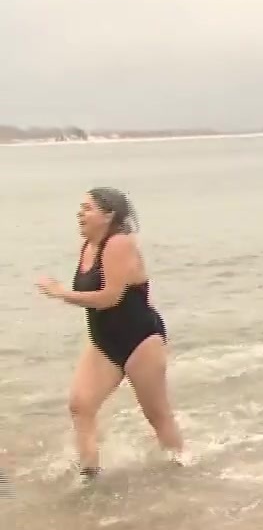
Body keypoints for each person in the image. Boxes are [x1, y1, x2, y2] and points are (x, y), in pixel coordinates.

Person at [35, 187, 183, 480]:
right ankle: (90, 473)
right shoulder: (88, 245)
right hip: (104, 340)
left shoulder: (119, 243)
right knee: (80, 405)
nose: (80, 213)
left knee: (157, 415)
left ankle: (181, 469)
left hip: (140, 339)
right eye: (80, 207)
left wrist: (62, 293)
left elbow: (110, 297)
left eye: (88, 208)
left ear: (109, 215)